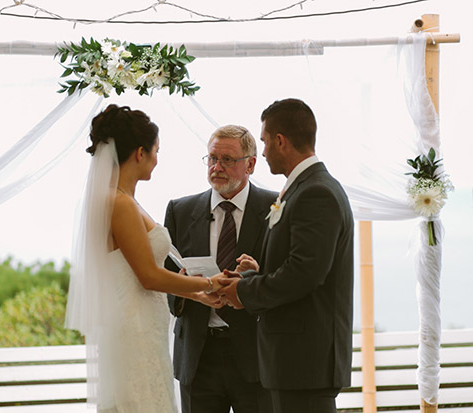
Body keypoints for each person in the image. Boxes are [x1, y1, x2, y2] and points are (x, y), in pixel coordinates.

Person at [65, 104, 224, 413]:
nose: (156, 160)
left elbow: (137, 271)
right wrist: (208, 281)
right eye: (156, 151)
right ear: (139, 153)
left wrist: (200, 295)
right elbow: (148, 276)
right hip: (134, 329)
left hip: (142, 325)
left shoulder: (124, 200)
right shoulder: (119, 203)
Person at [218, 98, 354, 413]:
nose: (263, 151)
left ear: (281, 141)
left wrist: (244, 290)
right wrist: (253, 274)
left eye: (264, 141)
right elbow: (295, 264)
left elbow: (305, 273)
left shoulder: (315, 193)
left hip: (305, 361)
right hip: (292, 362)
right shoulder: (302, 188)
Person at [165, 125, 278, 413]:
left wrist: (256, 276)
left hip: (257, 356)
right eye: (212, 158)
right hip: (198, 357)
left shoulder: (277, 207)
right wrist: (189, 290)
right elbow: (167, 285)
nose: (217, 167)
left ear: (250, 164)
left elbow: (286, 279)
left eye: (227, 160)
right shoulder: (180, 211)